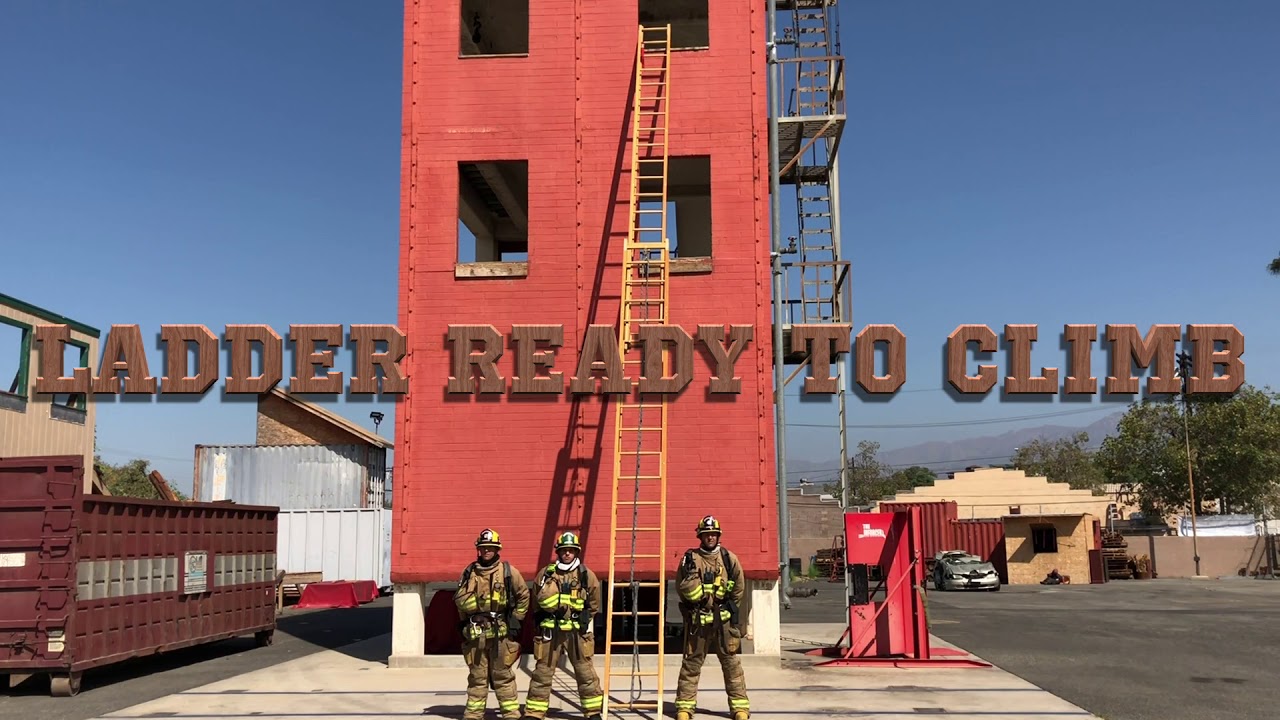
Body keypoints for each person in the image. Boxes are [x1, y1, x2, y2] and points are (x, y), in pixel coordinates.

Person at [522, 531, 604, 720]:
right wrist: (542, 619)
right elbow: (535, 599)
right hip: (551, 631)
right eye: (564, 550)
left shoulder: (586, 575)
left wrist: (583, 620)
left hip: (576, 633)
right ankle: (534, 712)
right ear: (558, 552)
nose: (567, 553)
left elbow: (594, 604)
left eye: (571, 550)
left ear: (576, 552)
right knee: (542, 671)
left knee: (585, 672)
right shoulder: (546, 574)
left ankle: (592, 712)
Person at [674, 516, 750, 720]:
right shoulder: (690, 558)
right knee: (691, 664)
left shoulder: (729, 558)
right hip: (698, 623)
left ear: (718, 536)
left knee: (731, 664)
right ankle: (685, 707)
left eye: (713, 534)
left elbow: (739, 587)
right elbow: (680, 586)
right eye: (706, 534)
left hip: (723, 624)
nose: (710, 537)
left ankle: (740, 708)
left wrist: (727, 610)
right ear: (700, 536)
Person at [455, 528, 530, 720]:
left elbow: (523, 595)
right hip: (476, 634)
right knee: (477, 677)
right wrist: (463, 623)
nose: (487, 550)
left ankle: (511, 715)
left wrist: (516, 619)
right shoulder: (469, 572)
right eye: (483, 547)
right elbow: (460, 600)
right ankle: (473, 714)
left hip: (500, 634)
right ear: (478, 550)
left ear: (497, 549)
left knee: (503, 676)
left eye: (490, 547)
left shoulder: (508, 572)